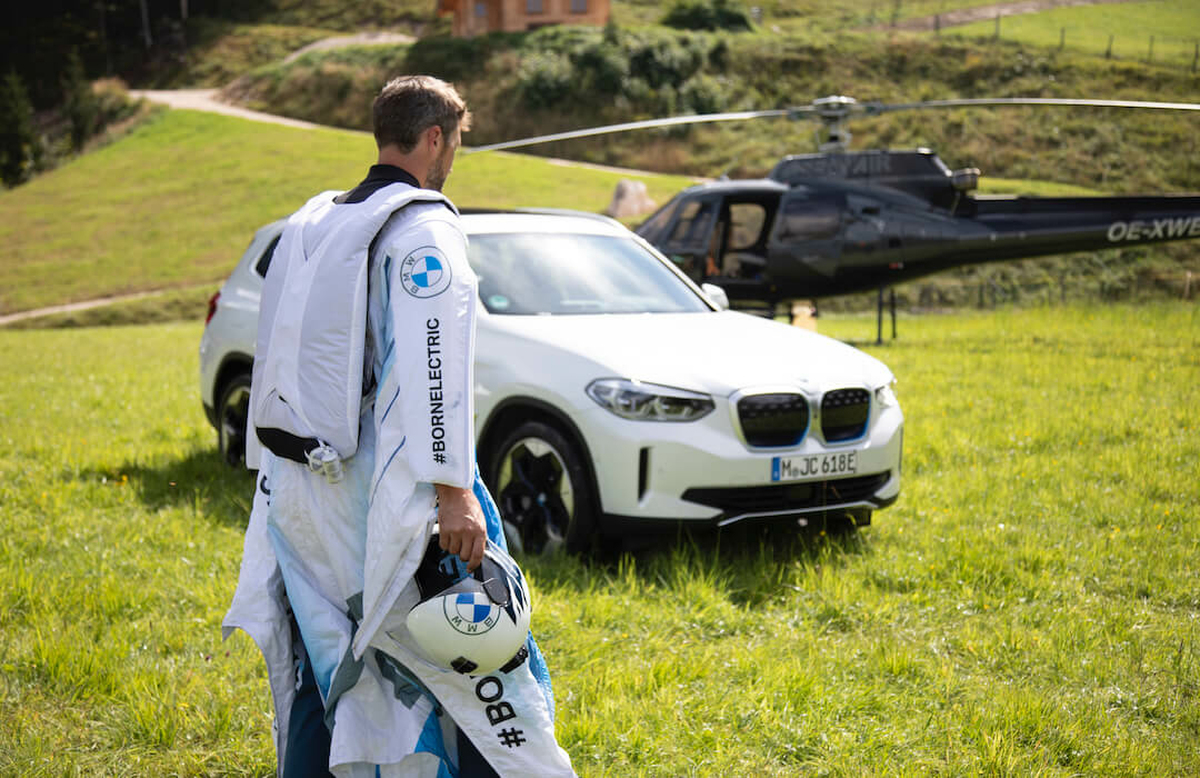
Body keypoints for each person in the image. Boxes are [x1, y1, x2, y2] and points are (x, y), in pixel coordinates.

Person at [223, 75, 575, 778]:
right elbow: (433, 364)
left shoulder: (310, 221)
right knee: (483, 663)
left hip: (301, 500)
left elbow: (278, 355)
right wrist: (455, 494)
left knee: (330, 667)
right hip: (395, 500)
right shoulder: (423, 227)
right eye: (457, 142)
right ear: (437, 138)